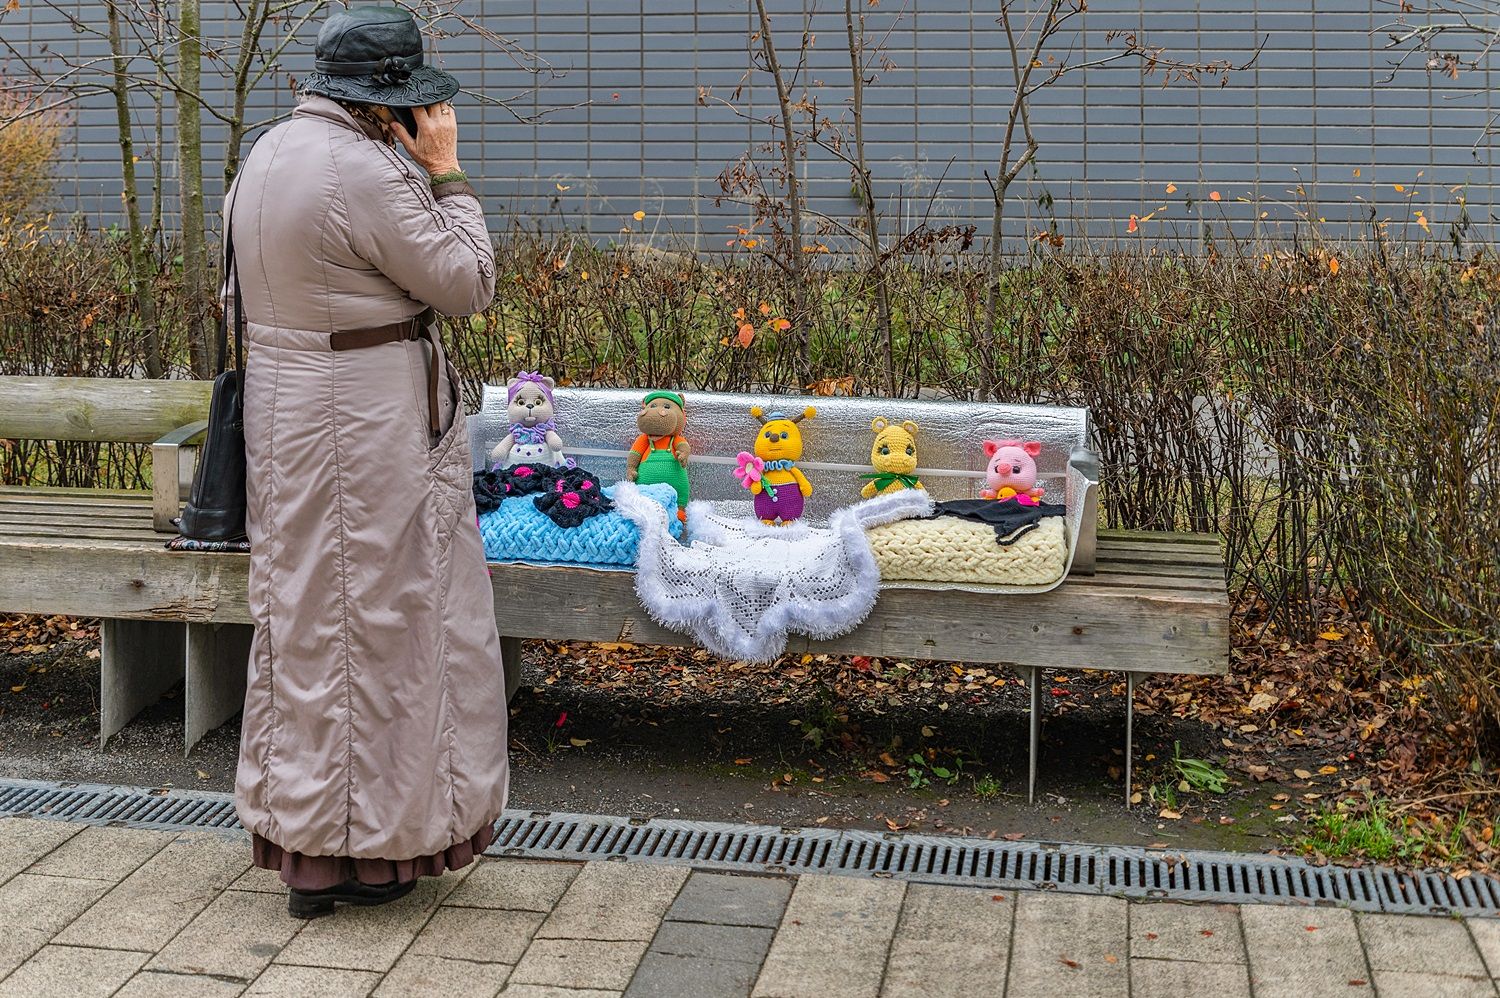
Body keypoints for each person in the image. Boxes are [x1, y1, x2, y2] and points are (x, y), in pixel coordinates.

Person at [225, 5, 509, 919]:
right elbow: (467, 284)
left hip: (288, 413)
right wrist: (449, 173)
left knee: (307, 619)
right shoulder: (367, 169)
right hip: (366, 419)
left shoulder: (268, 152)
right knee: (387, 623)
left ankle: (306, 843)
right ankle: (367, 851)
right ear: (390, 102)